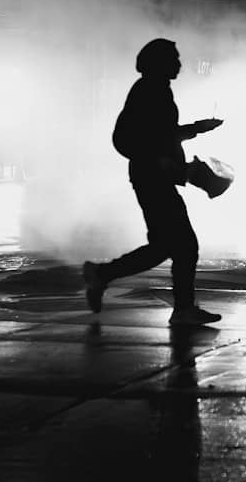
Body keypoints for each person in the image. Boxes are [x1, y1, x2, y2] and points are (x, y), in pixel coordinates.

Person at [83, 38, 225, 325]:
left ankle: (102, 274)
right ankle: (182, 309)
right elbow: (132, 138)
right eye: (174, 58)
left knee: (165, 246)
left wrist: (196, 129)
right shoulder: (149, 91)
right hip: (153, 178)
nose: (179, 64)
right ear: (160, 63)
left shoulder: (155, 89)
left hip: (155, 176)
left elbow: (162, 135)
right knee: (184, 245)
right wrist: (161, 160)